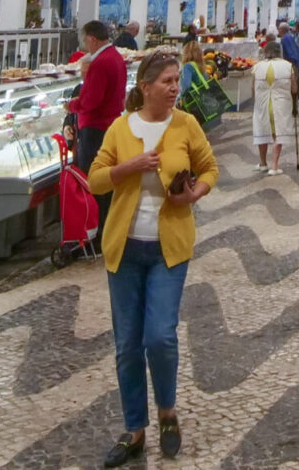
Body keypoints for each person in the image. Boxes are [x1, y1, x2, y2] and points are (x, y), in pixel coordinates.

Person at [89, 51, 217, 464]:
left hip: (168, 249)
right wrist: (128, 167)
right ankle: (134, 429)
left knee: (160, 336)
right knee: (127, 344)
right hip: (124, 250)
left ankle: (167, 412)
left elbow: (209, 169)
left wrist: (194, 194)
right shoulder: (120, 128)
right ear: (145, 87)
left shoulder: (186, 124)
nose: (175, 87)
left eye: (177, 80)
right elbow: (95, 180)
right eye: (167, 81)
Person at [68, 21, 128, 240]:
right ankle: (107, 225)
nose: (86, 45)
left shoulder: (100, 62)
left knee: (94, 178)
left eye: (86, 40)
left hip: (95, 129)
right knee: (107, 176)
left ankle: (96, 228)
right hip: (110, 125)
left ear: (92, 38)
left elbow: (91, 101)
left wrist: (72, 105)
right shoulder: (116, 57)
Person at [251, 33, 298, 176]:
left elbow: (253, 89)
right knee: (278, 133)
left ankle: (263, 163)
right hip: (280, 104)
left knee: (262, 130)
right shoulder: (287, 66)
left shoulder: (257, 67)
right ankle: (274, 166)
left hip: (262, 104)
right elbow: (294, 88)